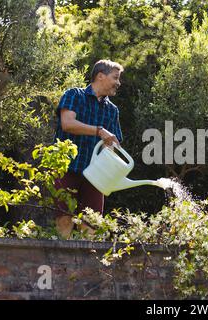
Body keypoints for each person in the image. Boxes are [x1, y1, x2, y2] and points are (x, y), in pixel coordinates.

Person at [53, 59, 124, 238]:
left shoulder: (112, 110)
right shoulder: (74, 95)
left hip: (95, 175)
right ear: (100, 76)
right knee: (64, 219)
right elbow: (67, 124)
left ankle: (88, 264)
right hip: (67, 168)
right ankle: (63, 262)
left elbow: (114, 143)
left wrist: (114, 149)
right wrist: (99, 131)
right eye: (115, 78)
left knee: (92, 223)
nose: (118, 83)